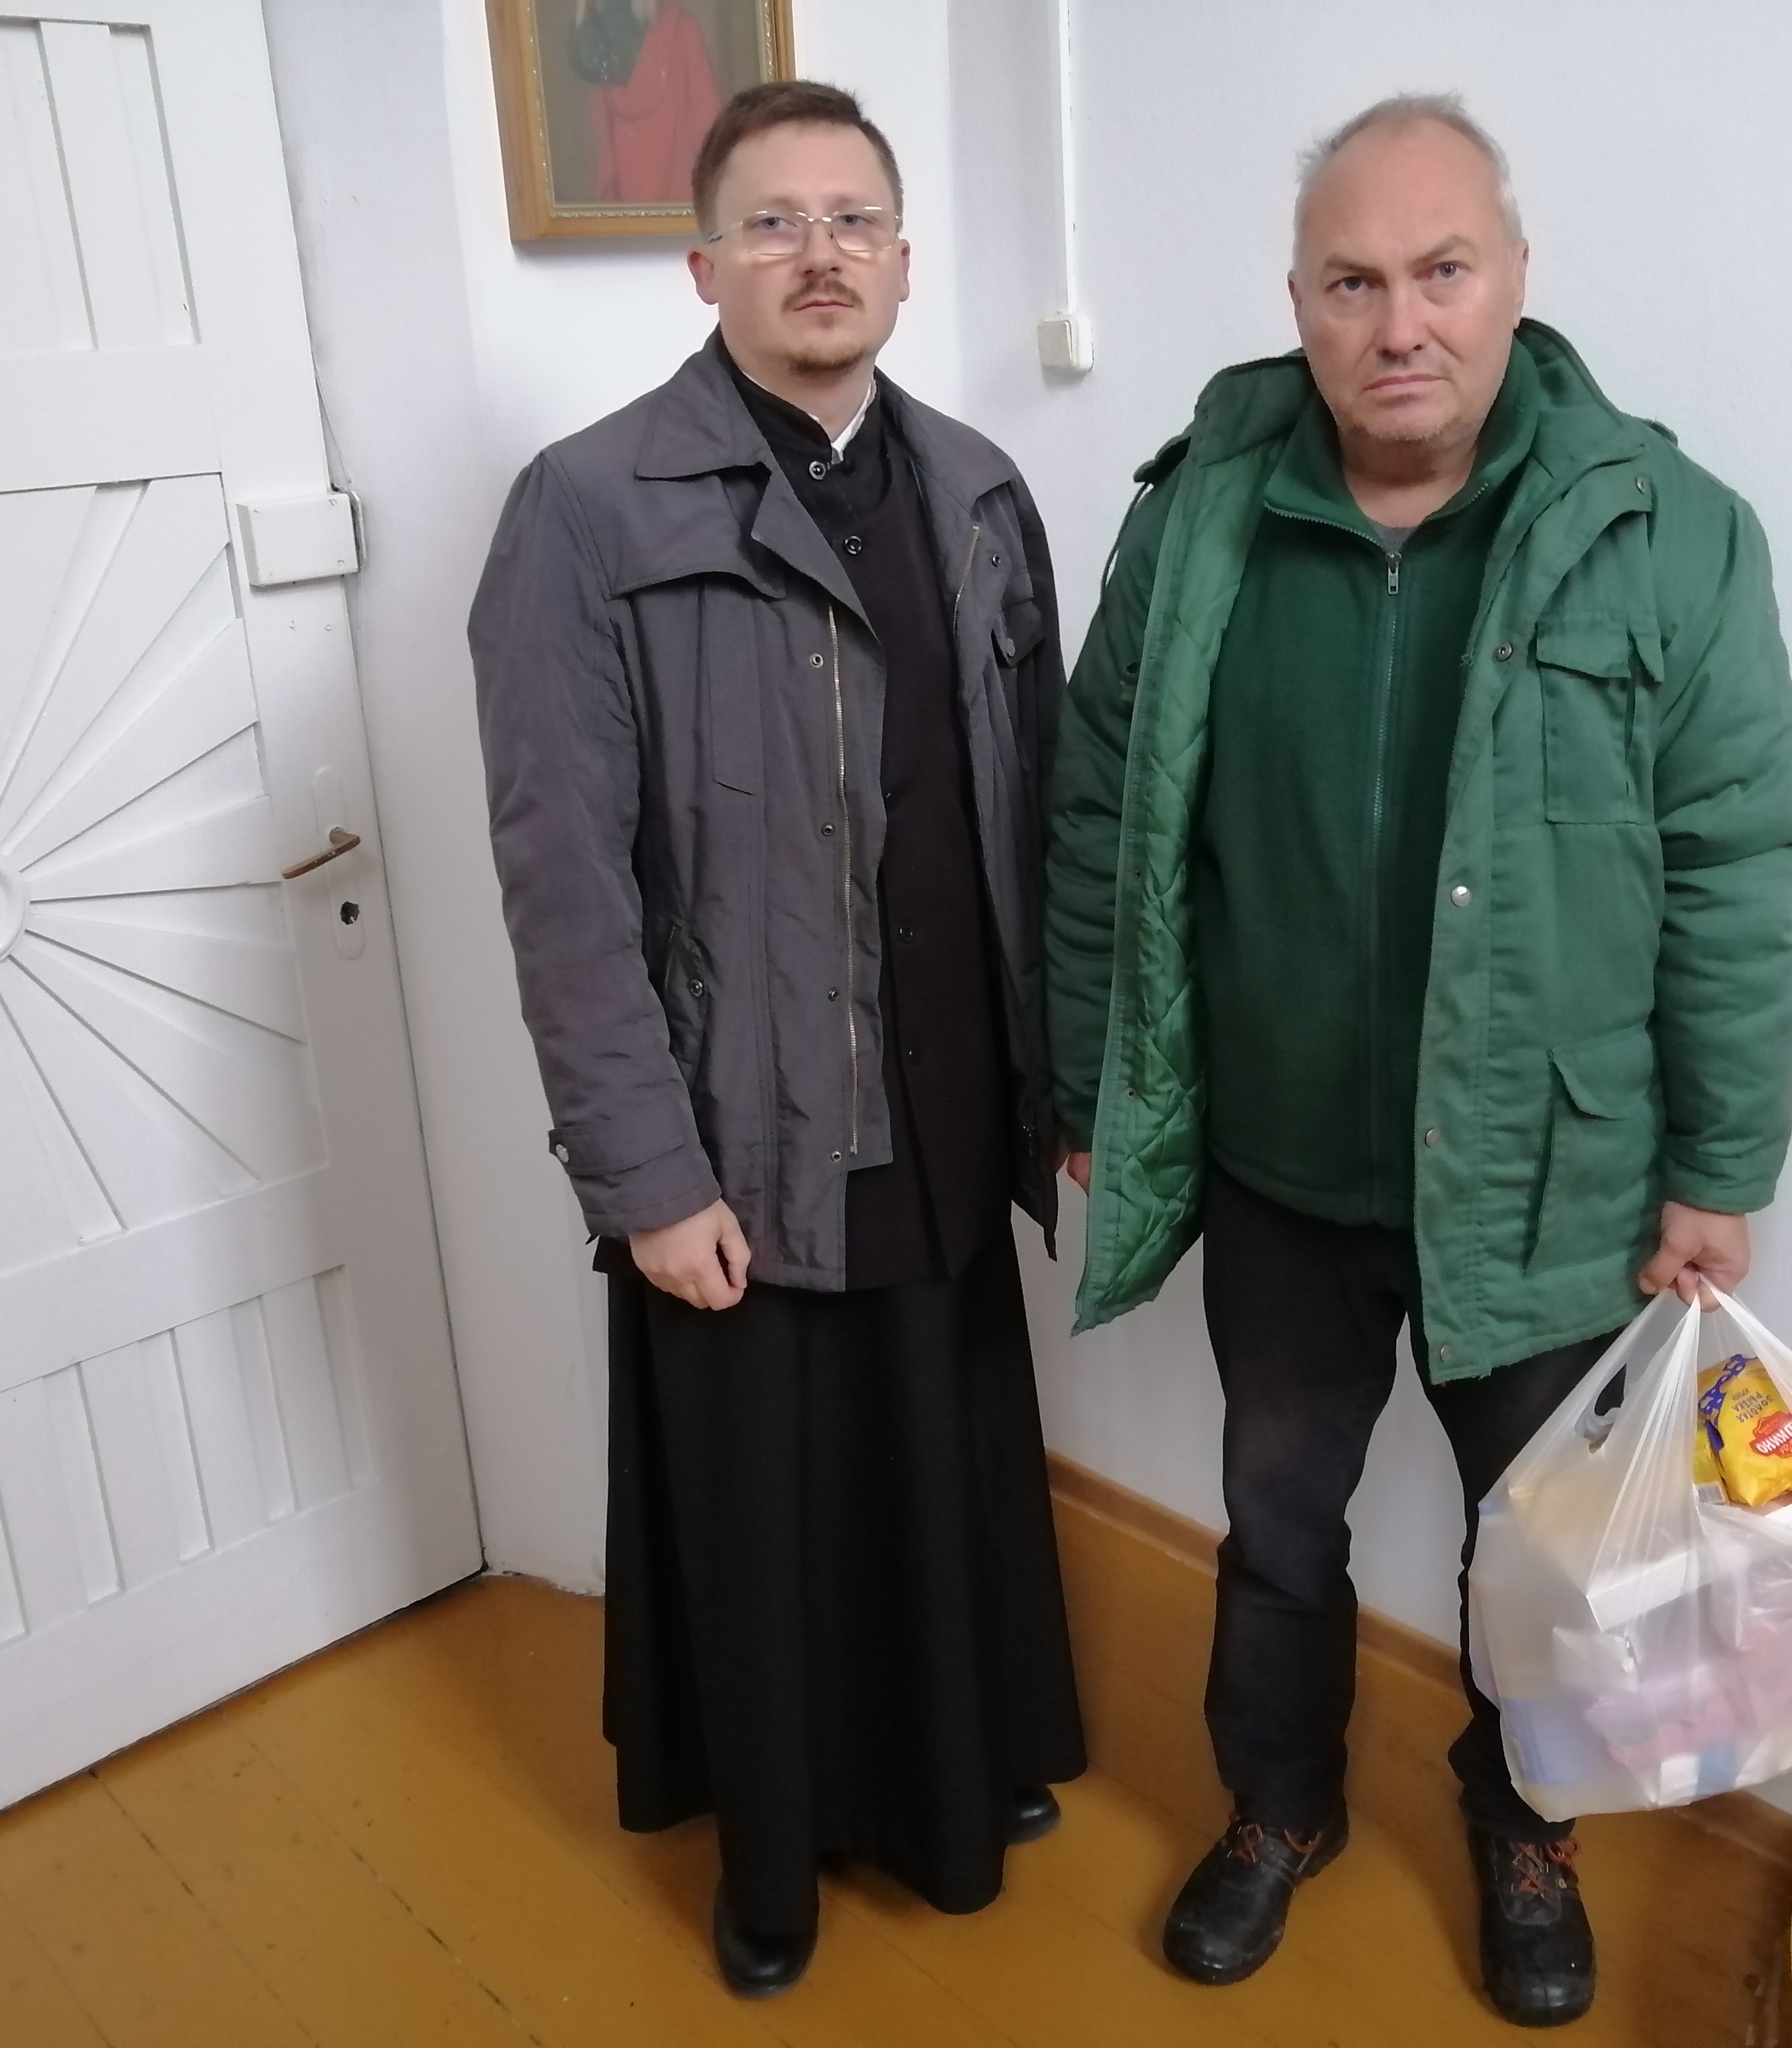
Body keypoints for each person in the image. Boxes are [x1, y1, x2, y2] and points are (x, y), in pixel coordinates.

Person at [1045, 95, 1792, 2028]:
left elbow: (1732, 862)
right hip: (1280, 1166)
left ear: (1515, 277)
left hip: (1553, 1184)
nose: (1400, 323)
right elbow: (1100, 819)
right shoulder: (1200, 521)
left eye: (1441, 270)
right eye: (1352, 281)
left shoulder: (1670, 531)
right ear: (1297, 302)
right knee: (1275, 1525)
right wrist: (1086, 1083)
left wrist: (1718, 1164)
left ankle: (1523, 1825)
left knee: (1539, 1557)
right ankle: (1277, 1804)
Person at [470, 79, 1084, 2001]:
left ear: (903, 261)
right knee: (767, 1504)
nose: (820, 255)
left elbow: (1042, 819)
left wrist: (1059, 1085)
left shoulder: (977, 490)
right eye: (773, 221)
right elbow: (561, 879)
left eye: (853, 221)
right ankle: (772, 1858)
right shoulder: (584, 510)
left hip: (946, 1095)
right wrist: (643, 1175)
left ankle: (951, 1780)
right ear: (703, 266)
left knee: (939, 1458)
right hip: (736, 1124)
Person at [567, 0, 724, 205]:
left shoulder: (680, 29)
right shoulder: (682, 29)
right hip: (669, 194)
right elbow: (707, 117)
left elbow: (707, 116)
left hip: (644, 191)